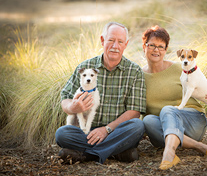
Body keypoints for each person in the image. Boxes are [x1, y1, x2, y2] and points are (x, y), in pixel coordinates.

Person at [55, 22, 146, 164]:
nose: (115, 46)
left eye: (120, 42)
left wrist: (107, 130)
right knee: (62, 134)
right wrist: (73, 107)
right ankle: (116, 152)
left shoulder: (134, 71)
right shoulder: (85, 67)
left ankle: (87, 155)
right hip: (87, 133)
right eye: (111, 40)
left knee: (137, 126)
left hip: (116, 131)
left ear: (126, 44)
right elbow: (65, 97)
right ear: (103, 40)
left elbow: (134, 112)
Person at [141, 25, 207, 170]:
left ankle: (169, 154)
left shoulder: (181, 68)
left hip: (193, 122)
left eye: (161, 47)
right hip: (164, 127)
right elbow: (139, 109)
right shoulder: (139, 77)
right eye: (152, 45)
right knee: (148, 120)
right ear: (144, 46)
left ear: (166, 50)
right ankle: (200, 147)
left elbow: (205, 86)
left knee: (168, 110)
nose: (156, 50)